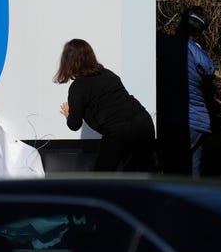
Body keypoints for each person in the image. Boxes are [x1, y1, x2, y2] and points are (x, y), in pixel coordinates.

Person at [54, 39, 155, 172]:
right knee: (139, 174)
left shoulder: (78, 87)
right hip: (144, 122)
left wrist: (69, 115)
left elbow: (74, 125)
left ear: (68, 62)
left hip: (119, 131)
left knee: (102, 176)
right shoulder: (108, 74)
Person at [176, 7, 217, 177]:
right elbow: (210, 70)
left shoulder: (166, 45)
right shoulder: (199, 53)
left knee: (174, 174)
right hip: (199, 121)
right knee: (193, 175)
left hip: (177, 121)